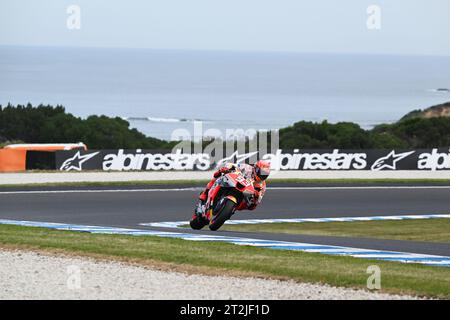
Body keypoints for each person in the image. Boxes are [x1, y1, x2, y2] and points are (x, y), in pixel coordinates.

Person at [194, 160, 271, 217]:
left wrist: (255, 198)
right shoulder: (247, 168)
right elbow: (233, 165)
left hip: (242, 194)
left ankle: (229, 211)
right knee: (218, 175)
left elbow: (255, 204)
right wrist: (227, 168)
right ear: (256, 169)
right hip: (233, 182)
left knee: (248, 205)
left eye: (265, 174)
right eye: (261, 172)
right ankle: (204, 195)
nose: (262, 175)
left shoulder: (262, 186)